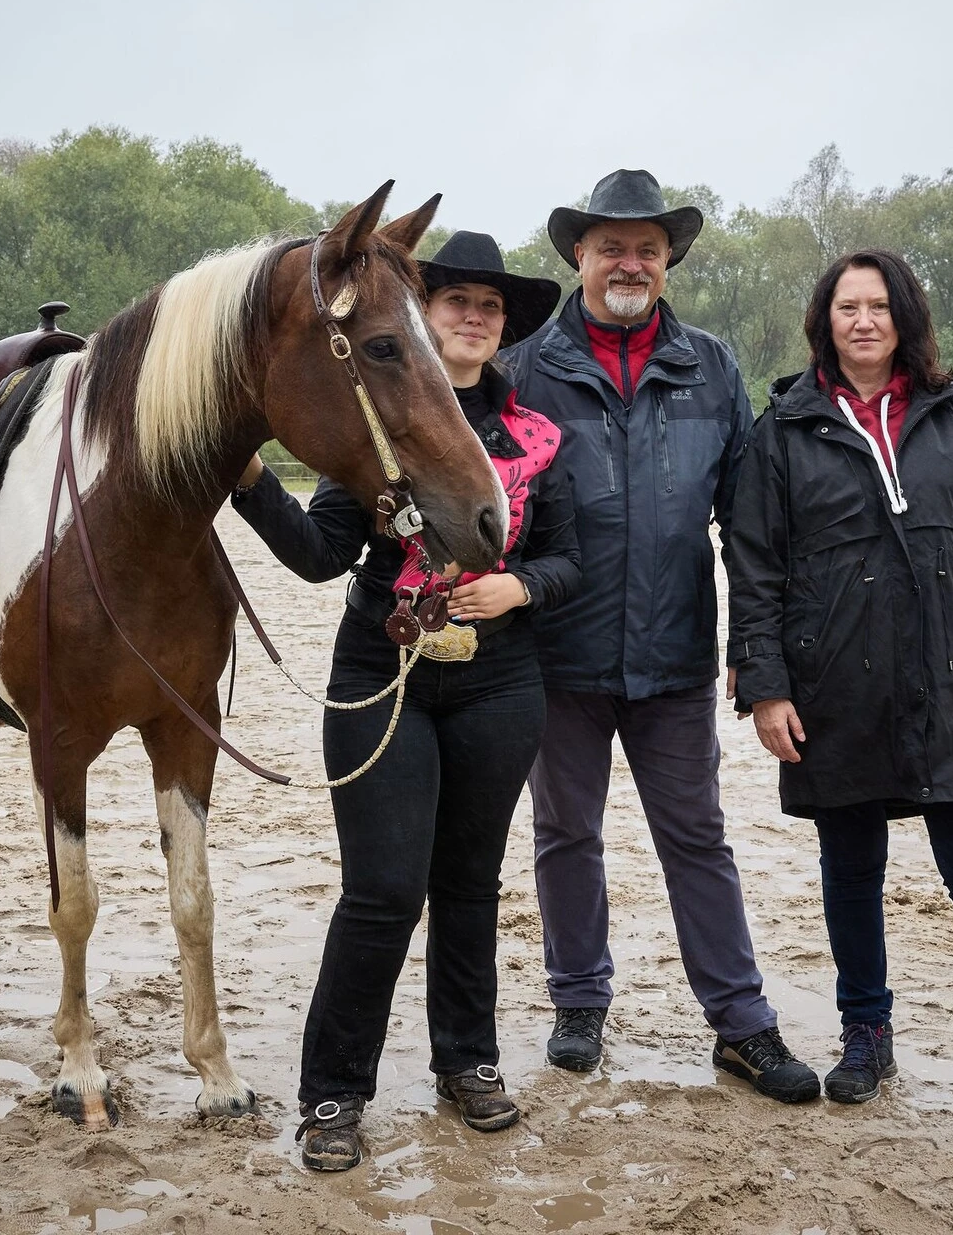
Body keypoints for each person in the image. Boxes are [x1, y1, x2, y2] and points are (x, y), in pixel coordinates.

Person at [230, 231, 579, 1170]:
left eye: (490, 307)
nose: (473, 316)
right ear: (421, 318)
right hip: (381, 677)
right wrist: (245, 472)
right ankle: (335, 1092)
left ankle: (466, 1063)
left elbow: (575, 556)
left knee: (469, 887)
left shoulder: (534, 434)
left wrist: (524, 587)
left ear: (503, 330)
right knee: (382, 892)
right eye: (455, 301)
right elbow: (317, 554)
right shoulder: (374, 422)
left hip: (501, 681)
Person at [726, 248, 953, 1126]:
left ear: (905, 318)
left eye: (880, 306)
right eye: (847, 307)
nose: (864, 321)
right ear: (825, 321)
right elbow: (755, 567)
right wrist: (765, 687)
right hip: (833, 683)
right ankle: (866, 1037)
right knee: (851, 872)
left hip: (952, 676)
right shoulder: (786, 429)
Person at [506, 169, 819, 1103]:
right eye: (611, 247)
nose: (628, 263)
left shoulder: (712, 368)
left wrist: (756, 657)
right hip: (556, 657)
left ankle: (741, 1023)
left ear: (668, 260)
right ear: (579, 255)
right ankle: (578, 1002)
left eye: (646, 247)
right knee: (567, 834)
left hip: (679, 659)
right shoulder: (524, 366)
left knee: (698, 839)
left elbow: (752, 530)